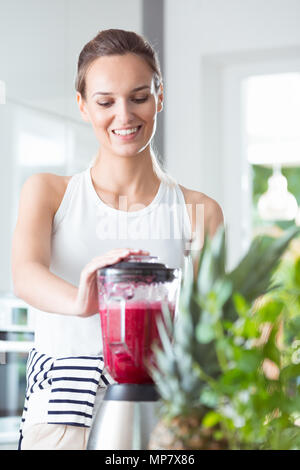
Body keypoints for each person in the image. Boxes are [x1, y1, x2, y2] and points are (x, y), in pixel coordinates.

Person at [11, 29, 224, 450]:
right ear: (83, 106)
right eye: (106, 102)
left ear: (160, 95)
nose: (123, 116)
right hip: (61, 422)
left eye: (139, 97)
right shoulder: (50, 192)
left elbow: (213, 328)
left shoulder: (199, 212)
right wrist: (80, 300)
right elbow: (25, 273)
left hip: (161, 421)